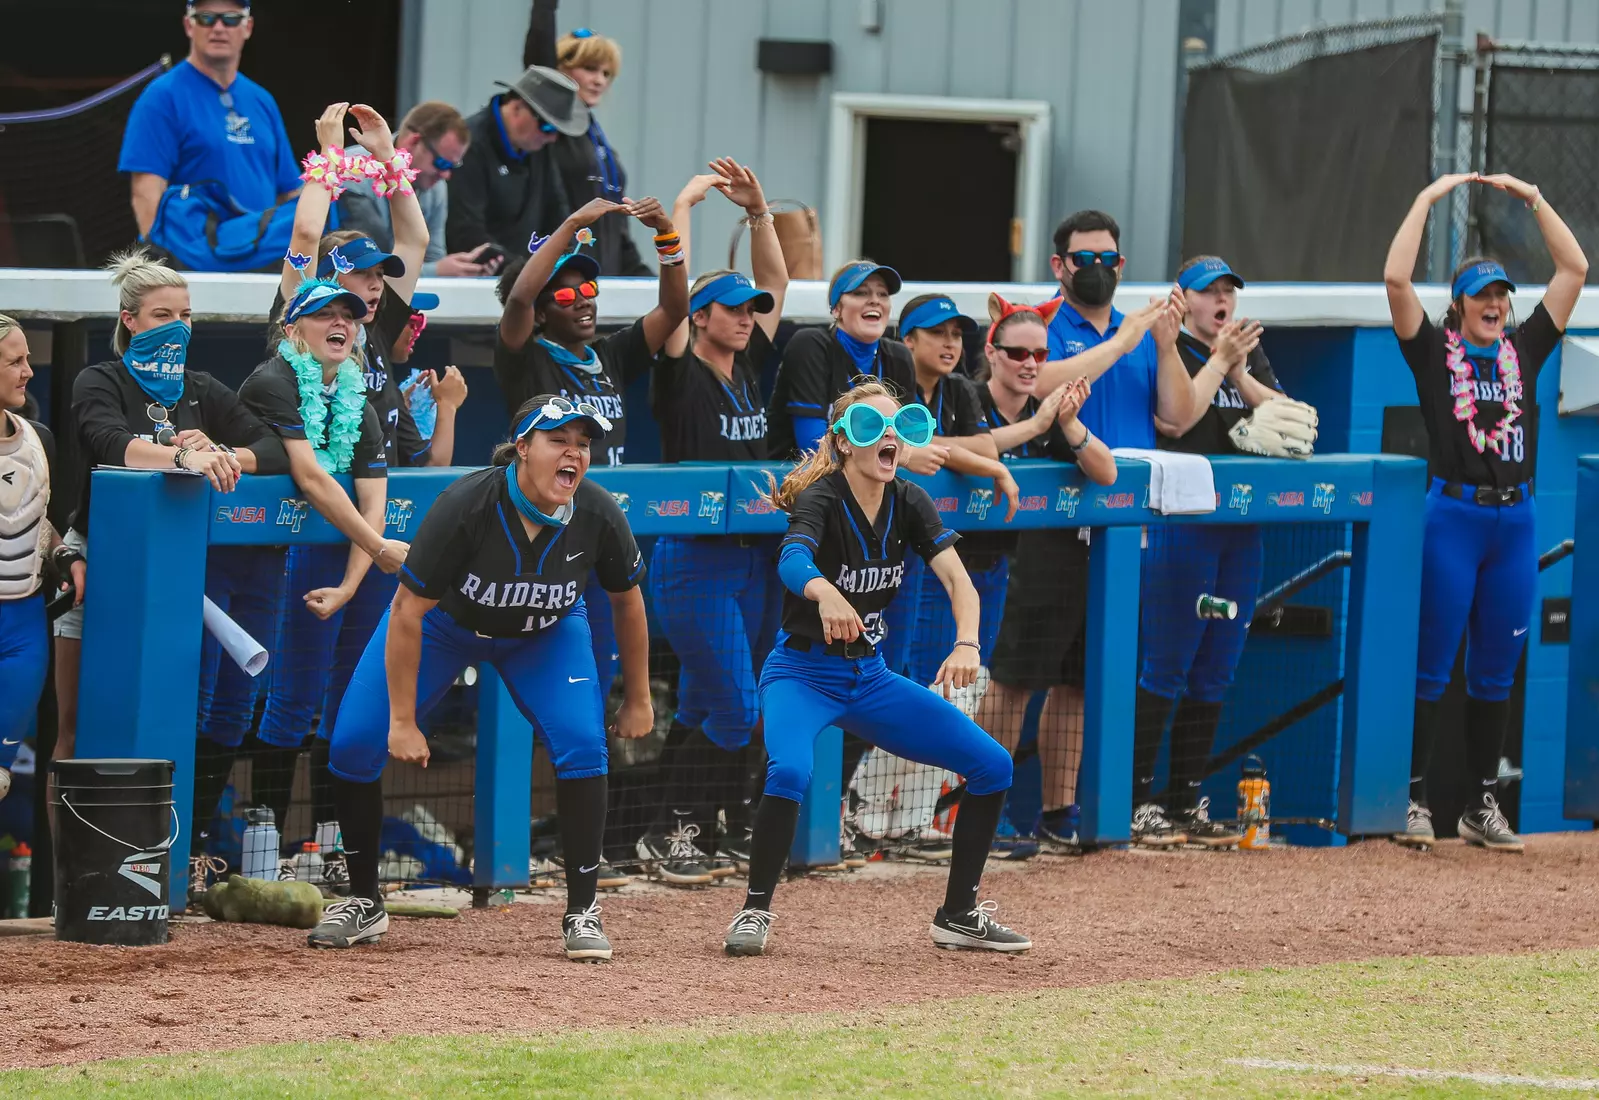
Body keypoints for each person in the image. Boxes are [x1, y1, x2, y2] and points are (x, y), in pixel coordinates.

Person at [307, 395, 652, 956]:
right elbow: (407, 612)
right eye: (558, 441)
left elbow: (628, 602)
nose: (574, 453)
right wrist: (402, 721)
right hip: (445, 627)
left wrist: (638, 697)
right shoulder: (467, 502)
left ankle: (583, 912)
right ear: (522, 448)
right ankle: (365, 901)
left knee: (585, 745)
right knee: (352, 743)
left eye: (583, 444)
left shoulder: (596, 510)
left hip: (544, 633)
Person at [723, 381, 1029, 957]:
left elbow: (960, 582)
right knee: (790, 771)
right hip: (801, 674)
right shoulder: (822, 497)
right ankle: (754, 910)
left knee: (993, 766)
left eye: (898, 425)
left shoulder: (909, 499)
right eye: (870, 426)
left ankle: (958, 915)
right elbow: (792, 558)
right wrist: (824, 593)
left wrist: (967, 643)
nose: (887, 436)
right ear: (844, 441)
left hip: (869, 677)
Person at [251, 103, 465, 848]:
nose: (372, 290)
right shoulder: (302, 323)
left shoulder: (372, 331)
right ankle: (261, 846)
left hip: (373, 532)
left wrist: (388, 156)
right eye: (359, 278)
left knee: (350, 697)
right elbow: (307, 238)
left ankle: (334, 843)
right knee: (291, 698)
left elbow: (416, 239)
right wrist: (327, 156)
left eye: (378, 280)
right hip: (303, 534)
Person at [51, 252, 287, 841]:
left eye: (186, 315)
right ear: (129, 319)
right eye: (162, 315)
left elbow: (274, 449)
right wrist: (183, 457)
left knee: (176, 713)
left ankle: (166, 855)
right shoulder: (99, 379)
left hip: (179, 572)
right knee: (78, 727)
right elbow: (109, 442)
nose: (178, 326)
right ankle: (68, 874)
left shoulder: (201, 388)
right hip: (97, 564)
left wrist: (224, 454)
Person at [1384, 172, 1586, 853]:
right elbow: (1395, 280)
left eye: (1501, 295)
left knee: (1498, 667)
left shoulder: (1521, 351)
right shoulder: (1433, 356)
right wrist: (1424, 200)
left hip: (1515, 523)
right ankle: (1410, 797)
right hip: (1453, 519)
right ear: (1459, 307)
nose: (1495, 305)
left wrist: (1534, 199)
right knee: (1432, 663)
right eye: (1482, 296)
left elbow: (1574, 269)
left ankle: (1479, 804)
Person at [1135, 256, 1318, 848]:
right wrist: (1220, 363)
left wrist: (1240, 370)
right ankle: (1136, 802)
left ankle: (1183, 799)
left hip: (1241, 529)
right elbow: (1176, 419)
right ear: (1182, 298)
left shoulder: (1244, 352)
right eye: (1208, 291)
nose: (1221, 301)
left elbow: (1289, 421)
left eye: (1227, 292)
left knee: (1217, 667)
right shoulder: (1170, 345)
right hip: (1183, 525)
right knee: (1168, 664)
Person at [638, 159, 787, 884]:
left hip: (753, 557)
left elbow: (777, 283)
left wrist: (758, 214)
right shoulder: (682, 369)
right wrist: (684, 208)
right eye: (732, 309)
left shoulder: (748, 366)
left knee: (713, 700)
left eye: (749, 311)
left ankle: (698, 822)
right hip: (694, 558)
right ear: (700, 317)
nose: (746, 317)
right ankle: (673, 828)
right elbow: (672, 295)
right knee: (736, 703)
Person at [494, 189, 686, 709]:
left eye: (588, 289)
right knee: (545, 677)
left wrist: (666, 235)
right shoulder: (525, 356)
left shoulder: (610, 354)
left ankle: (583, 754)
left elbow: (675, 308)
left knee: (597, 677)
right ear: (541, 313)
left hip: (604, 530)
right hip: (545, 536)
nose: (582, 300)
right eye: (564, 295)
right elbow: (517, 301)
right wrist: (573, 222)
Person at [972, 296, 1118, 854]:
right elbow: (958, 450)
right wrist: (1036, 423)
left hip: (1058, 564)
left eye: (1040, 354)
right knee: (1009, 684)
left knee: (1071, 683)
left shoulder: (1050, 410)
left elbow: (1105, 472)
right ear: (993, 352)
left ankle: (1058, 814)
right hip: (986, 565)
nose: (1030, 364)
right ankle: (979, 811)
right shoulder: (969, 400)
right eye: (1018, 353)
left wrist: (1070, 423)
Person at [888, 293, 1023, 688]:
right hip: (898, 549)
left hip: (948, 545)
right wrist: (980, 461)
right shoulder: (889, 385)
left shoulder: (960, 387)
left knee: (962, 681)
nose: (949, 343)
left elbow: (985, 447)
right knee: (910, 677)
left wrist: (931, 447)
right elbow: (891, 443)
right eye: (937, 333)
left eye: (956, 335)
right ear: (908, 339)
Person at [119, 0, 300, 240]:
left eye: (231, 19)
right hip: (196, 257)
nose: (218, 28)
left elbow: (290, 193)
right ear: (188, 25)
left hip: (262, 254)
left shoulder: (262, 100)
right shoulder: (161, 97)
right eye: (206, 18)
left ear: (248, 27)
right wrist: (161, 257)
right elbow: (146, 195)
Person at [0, 316, 82, 804]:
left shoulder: (39, 439)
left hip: (23, 624)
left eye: (28, 359)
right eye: (16, 361)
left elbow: (36, 520)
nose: (29, 371)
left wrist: (65, 556)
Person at [524, 9, 651, 276]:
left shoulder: (597, 140)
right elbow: (539, 60)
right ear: (560, 70)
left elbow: (617, 230)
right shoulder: (553, 128)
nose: (599, 80)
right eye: (590, 69)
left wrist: (650, 282)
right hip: (563, 276)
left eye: (606, 73)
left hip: (602, 277)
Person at [338, 101, 504, 278]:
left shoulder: (436, 188)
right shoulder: (352, 171)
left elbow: (432, 257)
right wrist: (437, 270)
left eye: (452, 166)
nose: (446, 175)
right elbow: (368, 264)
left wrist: (461, 269)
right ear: (414, 141)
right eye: (441, 163)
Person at [766, 261, 915, 458]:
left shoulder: (899, 356)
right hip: (801, 474)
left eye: (883, 294)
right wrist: (903, 457)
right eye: (860, 293)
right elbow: (814, 448)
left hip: (872, 473)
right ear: (836, 309)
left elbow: (909, 437)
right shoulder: (810, 345)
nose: (875, 300)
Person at [447, 65, 587, 259]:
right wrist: (522, 270)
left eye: (559, 132)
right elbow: (466, 232)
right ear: (517, 108)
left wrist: (565, 261)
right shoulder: (472, 145)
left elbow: (557, 212)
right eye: (547, 127)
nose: (552, 138)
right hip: (487, 273)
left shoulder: (538, 146)